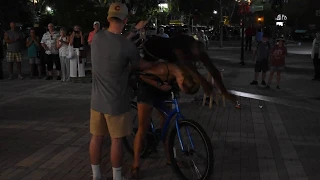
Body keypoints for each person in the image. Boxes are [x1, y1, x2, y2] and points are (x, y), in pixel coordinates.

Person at [89, 2, 152, 180]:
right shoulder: (127, 47)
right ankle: (117, 177)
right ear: (125, 19)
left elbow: (116, 42)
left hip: (96, 101)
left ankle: (96, 176)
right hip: (117, 102)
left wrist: (132, 32)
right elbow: (140, 64)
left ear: (108, 18)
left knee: (97, 138)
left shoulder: (97, 37)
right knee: (116, 141)